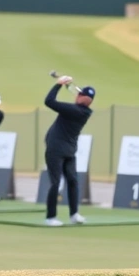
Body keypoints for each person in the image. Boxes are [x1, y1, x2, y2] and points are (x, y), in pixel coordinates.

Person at [43, 77, 94, 226]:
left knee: (72, 181)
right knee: (57, 182)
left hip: (67, 150)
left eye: (81, 95)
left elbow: (49, 101)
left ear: (87, 100)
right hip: (57, 149)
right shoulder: (80, 110)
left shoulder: (76, 111)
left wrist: (58, 84)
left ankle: (74, 214)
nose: (78, 96)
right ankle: (51, 217)